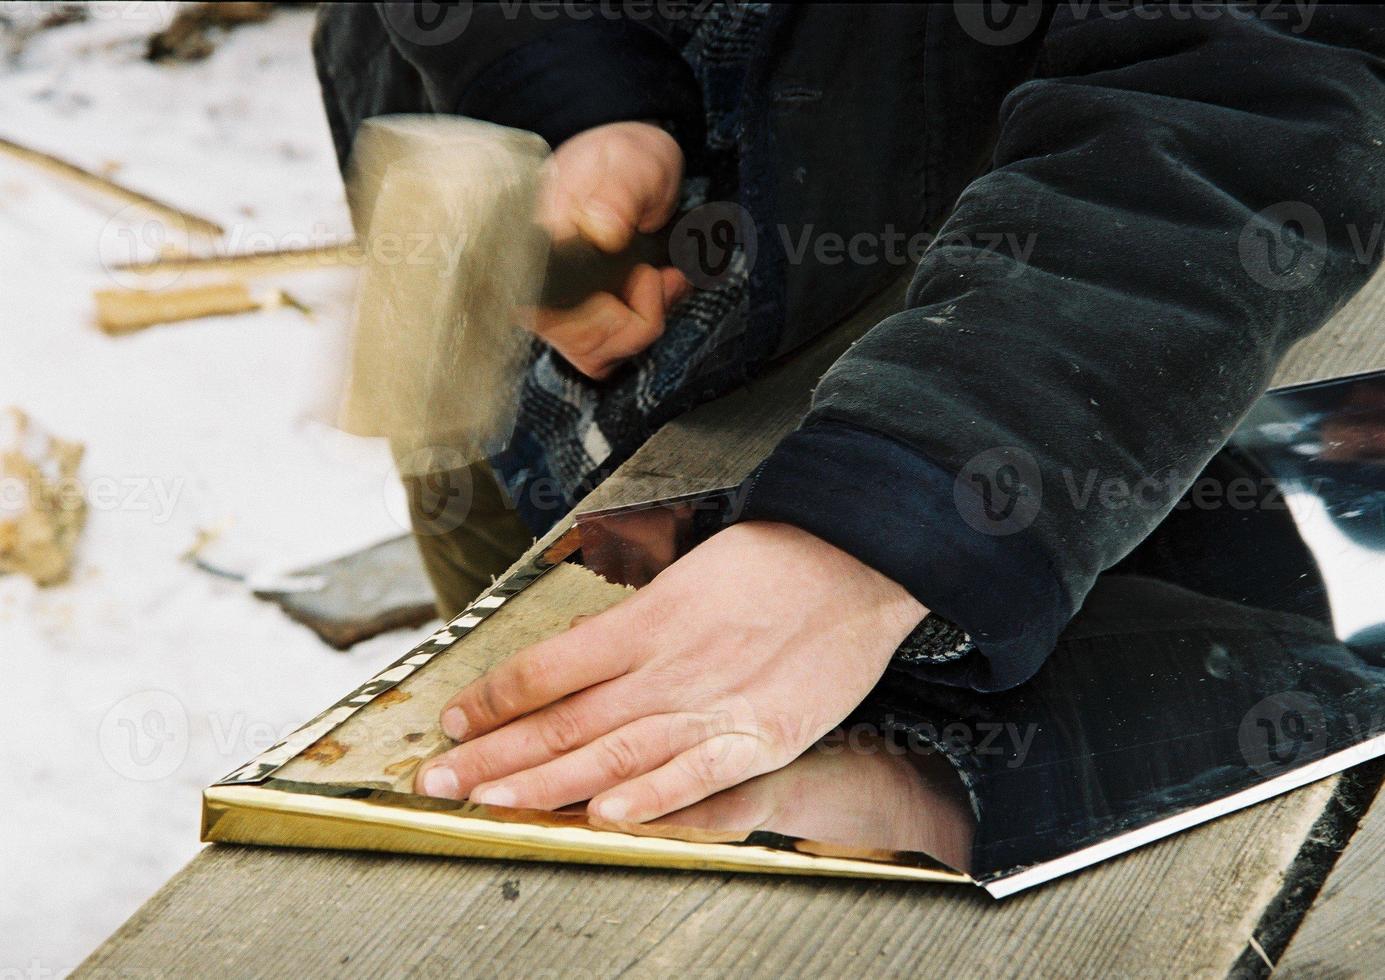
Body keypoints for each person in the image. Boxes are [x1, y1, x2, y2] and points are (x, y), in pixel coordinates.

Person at [312, 3, 1385, 823]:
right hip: (520, 386)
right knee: (504, 768)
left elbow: (1249, 81)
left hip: (1006, 370)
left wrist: (904, 503)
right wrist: (566, 84)